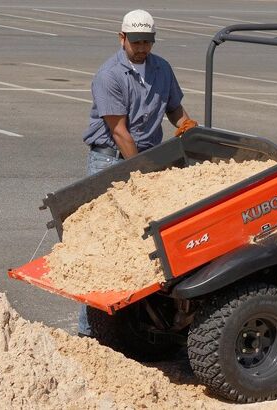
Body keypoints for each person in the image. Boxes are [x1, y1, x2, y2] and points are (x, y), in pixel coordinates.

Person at [78, 9, 197, 337]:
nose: (142, 47)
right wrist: (142, 174)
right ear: (122, 38)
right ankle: (89, 330)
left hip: (146, 159)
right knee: (104, 241)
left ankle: (134, 325)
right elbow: (120, 132)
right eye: (136, 41)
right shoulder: (109, 76)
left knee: (145, 241)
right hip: (112, 160)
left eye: (147, 41)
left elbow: (174, 108)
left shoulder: (162, 69)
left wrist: (186, 126)